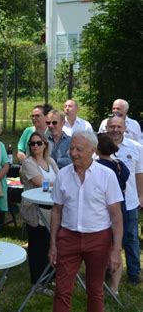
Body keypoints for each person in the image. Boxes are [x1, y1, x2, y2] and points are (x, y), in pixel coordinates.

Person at [49, 130, 123, 311]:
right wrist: (53, 243)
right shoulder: (63, 175)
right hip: (68, 237)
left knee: (95, 290)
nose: (73, 153)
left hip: (98, 239)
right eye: (71, 148)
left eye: (79, 149)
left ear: (93, 150)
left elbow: (116, 216)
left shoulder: (107, 175)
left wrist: (116, 250)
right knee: (62, 290)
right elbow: (56, 211)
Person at [20, 131, 59, 296]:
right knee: (38, 246)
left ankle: (51, 278)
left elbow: (60, 179)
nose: (35, 146)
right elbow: (39, 182)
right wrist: (56, 184)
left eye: (38, 143)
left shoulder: (50, 161)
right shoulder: (28, 163)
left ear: (45, 144)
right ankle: (37, 283)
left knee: (52, 244)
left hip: (52, 209)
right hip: (36, 211)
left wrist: (56, 184)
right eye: (32, 143)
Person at [105, 116, 142, 285]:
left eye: (118, 127)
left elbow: (139, 174)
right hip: (106, 203)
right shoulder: (99, 148)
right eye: (112, 126)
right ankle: (106, 270)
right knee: (106, 237)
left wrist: (141, 196)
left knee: (131, 238)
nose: (115, 130)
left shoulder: (136, 148)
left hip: (130, 200)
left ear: (125, 128)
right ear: (106, 128)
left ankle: (134, 273)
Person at [96, 133, 130, 294]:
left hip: (104, 209)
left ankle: (99, 283)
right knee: (117, 246)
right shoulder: (120, 164)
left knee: (101, 247)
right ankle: (114, 287)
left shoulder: (98, 166)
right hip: (120, 206)